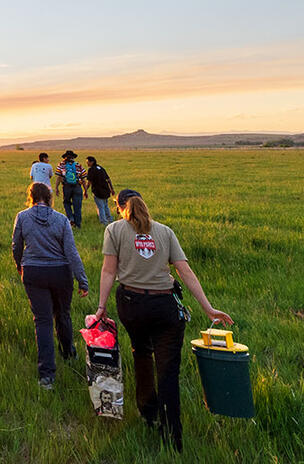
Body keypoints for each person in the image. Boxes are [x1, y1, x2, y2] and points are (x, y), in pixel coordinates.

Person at [93, 190, 233, 452]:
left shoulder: (114, 230)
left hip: (132, 306)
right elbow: (185, 271)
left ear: (121, 207)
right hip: (165, 307)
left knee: (142, 352)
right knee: (168, 372)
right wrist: (209, 308)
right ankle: (173, 437)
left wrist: (101, 307)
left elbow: (108, 271)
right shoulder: (165, 231)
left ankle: (148, 412)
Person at [11, 182, 89, 389]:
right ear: (49, 197)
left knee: (43, 321)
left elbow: (16, 245)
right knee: (63, 314)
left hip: (34, 272)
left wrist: (19, 265)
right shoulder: (61, 219)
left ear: (31, 196)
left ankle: (47, 376)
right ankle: (69, 354)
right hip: (60, 272)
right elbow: (71, 252)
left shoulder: (22, 217)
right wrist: (82, 280)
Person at [55, 150, 87, 228]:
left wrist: (56, 188)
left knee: (66, 203)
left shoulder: (61, 165)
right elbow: (83, 179)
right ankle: (78, 224)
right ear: (73, 157)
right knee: (77, 206)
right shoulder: (78, 165)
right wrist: (85, 190)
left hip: (66, 187)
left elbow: (59, 177)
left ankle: (71, 218)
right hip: (77, 187)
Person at [85, 156, 115, 225]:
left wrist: (85, 190)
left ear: (92, 162)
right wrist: (112, 189)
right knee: (105, 206)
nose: (87, 164)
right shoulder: (101, 168)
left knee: (100, 207)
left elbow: (89, 182)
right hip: (106, 190)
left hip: (97, 191)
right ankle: (110, 220)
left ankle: (104, 222)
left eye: (88, 162)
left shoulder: (91, 170)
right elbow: (108, 180)